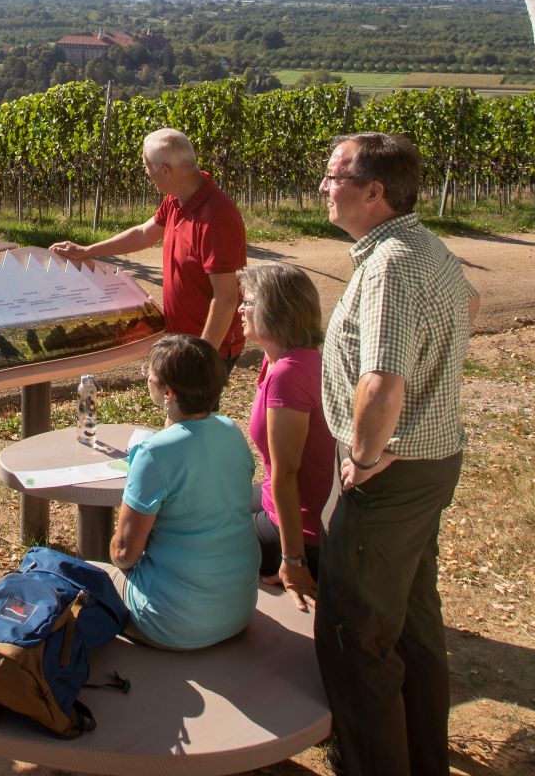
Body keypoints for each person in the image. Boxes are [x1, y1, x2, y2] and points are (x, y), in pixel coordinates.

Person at [315, 131, 476, 776]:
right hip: (427, 466)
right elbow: (461, 315)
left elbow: (381, 382)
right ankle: (421, 759)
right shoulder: (425, 247)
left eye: (335, 177)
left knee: (357, 637)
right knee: (411, 622)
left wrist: (361, 457)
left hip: (387, 477)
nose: (324, 187)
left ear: (373, 192)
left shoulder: (389, 266)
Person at [97, 334, 257, 649]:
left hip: (172, 623)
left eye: (150, 374)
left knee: (83, 575)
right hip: (238, 610)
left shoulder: (154, 453)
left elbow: (124, 553)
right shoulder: (231, 432)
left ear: (168, 393)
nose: (146, 377)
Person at [52, 128, 245, 358]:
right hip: (183, 342)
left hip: (208, 349)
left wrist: (204, 359)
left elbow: (226, 298)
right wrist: (87, 250)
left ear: (165, 171)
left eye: (147, 167)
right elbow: (143, 233)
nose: (146, 173)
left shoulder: (216, 217)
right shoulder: (176, 199)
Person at [241, 262, 333, 606]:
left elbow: (288, 472)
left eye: (248, 302)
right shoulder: (281, 359)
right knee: (202, 504)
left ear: (275, 311)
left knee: (190, 535)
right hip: (279, 499)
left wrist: (294, 561)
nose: (240, 309)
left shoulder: (289, 374)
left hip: (302, 531)